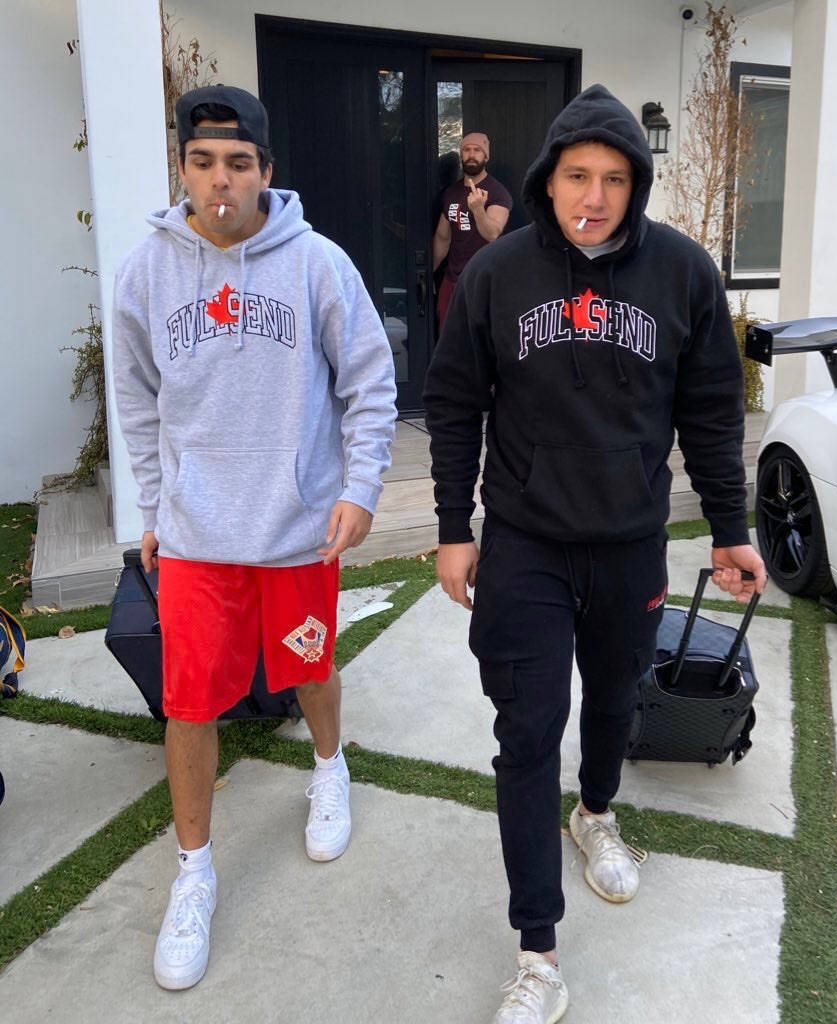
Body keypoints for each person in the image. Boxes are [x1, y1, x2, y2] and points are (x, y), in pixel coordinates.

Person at [423, 84, 766, 1024]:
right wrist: (455, 528)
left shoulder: (683, 274)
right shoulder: (499, 275)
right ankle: (538, 950)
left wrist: (730, 528)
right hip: (525, 541)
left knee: (613, 703)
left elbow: (708, 410)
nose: (596, 194)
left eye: (616, 178)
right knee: (528, 731)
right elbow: (454, 404)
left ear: (637, 185)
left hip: (629, 544)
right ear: (548, 178)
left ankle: (597, 813)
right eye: (578, 173)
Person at [112, 84, 396, 991]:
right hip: (198, 535)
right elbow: (136, 400)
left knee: (310, 665)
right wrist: (155, 507)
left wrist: (358, 487)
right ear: (182, 170)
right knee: (188, 700)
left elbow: (369, 379)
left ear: (267, 170)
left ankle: (329, 765)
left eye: (239, 163)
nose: (220, 180)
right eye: (202, 162)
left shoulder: (316, 263)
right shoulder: (146, 273)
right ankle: (194, 871)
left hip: (296, 528)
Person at [432, 132, 513, 334]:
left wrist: (478, 209)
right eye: (466, 150)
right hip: (452, 282)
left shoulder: (497, 193)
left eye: (477, 150)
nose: (471, 155)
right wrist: (427, 272)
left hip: (483, 283)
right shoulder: (452, 192)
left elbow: (492, 233)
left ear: (486, 156)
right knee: (448, 340)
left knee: (478, 344)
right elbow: (443, 238)